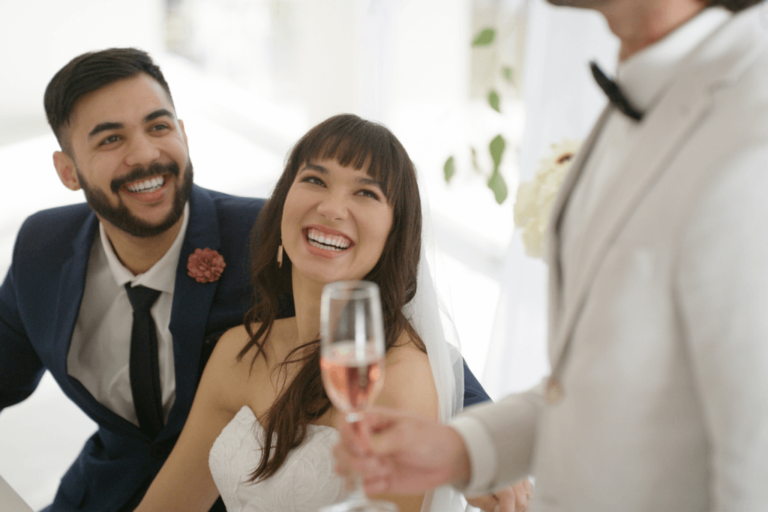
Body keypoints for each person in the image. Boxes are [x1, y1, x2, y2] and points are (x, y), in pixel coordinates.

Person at [0, 49, 493, 512]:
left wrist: (483, 437)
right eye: (111, 138)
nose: (144, 153)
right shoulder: (43, 247)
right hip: (99, 493)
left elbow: (418, 349)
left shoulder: (276, 233)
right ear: (68, 170)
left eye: (158, 126)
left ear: (184, 135)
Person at [334, 1, 768, 511]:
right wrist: (461, 447)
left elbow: (754, 469)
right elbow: (602, 388)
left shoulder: (748, 144)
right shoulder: (645, 93)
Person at [135, 114, 525, 512]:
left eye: (366, 193)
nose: (332, 208)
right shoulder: (239, 350)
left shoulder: (398, 379)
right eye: (315, 180)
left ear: (395, 234)